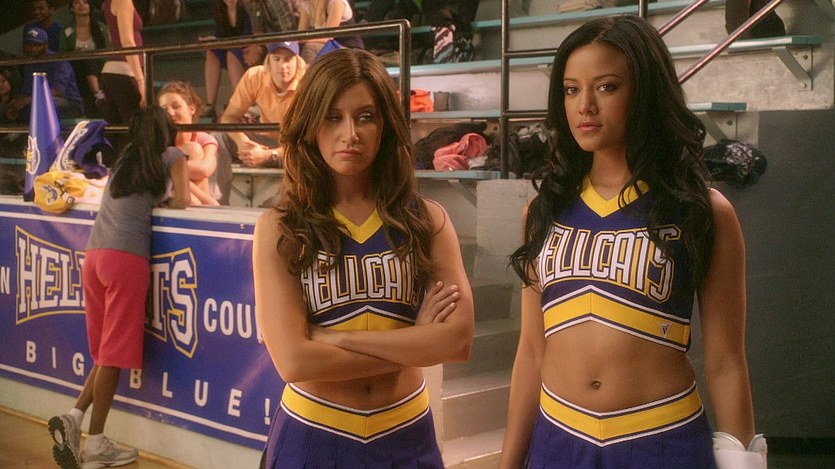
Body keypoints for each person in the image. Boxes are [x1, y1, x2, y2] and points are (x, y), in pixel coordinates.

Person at [500, 15, 761, 469]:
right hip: (559, 439)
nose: (585, 106)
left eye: (606, 87)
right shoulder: (543, 211)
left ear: (645, 91)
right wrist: (508, 463)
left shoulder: (703, 210)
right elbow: (532, 352)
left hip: (661, 441)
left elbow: (725, 362)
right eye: (571, 90)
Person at [253, 48, 474, 468]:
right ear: (310, 124)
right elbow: (294, 361)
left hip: (407, 434)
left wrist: (337, 338)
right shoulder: (279, 228)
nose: (350, 133)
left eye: (365, 116)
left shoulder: (429, 220)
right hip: (312, 434)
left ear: (385, 125)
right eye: (332, 117)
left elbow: (456, 341)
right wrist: (415, 342)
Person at [47, 105, 190, 469]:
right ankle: (96, 443)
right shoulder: (172, 155)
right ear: (166, 131)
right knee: (112, 355)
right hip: (126, 258)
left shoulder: (125, 159)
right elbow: (184, 201)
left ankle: (74, 417)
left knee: (104, 352)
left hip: (94, 256)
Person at [217, 41, 306, 168]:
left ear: (298, 62)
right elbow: (228, 117)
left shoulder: (308, 83)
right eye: (277, 59)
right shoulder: (255, 76)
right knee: (219, 136)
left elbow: (309, 141)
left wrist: (269, 154)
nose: (282, 65)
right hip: (267, 142)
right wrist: (242, 141)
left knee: (309, 152)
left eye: (288, 59)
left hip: (296, 149)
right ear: (268, 61)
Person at [158, 80, 223, 206]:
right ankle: (204, 208)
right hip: (167, 192)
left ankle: (201, 207)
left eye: (176, 106)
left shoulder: (204, 139)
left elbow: (205, 169)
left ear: (192, 109)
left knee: (193, 149)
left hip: (192, 196)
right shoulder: (159, 139)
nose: (170, 113)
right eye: (164, 109)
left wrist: (169, 169)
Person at [7, 26, 84, 123]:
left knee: (39, 105)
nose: (32, 48)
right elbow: (26, 91)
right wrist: (15, 104)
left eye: (37, 45)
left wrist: (26, 100)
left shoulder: (58, 61)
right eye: (29, 44)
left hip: (69, 104)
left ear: (46, 45)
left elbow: (58, 91)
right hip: (36, 101)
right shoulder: (29, 63)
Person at [199, 0, 253, 121]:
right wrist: (213, 40)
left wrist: (219, 41)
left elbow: (248, 37)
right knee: (211, 51)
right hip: (231, 48)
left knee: (231, 55)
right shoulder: (220, 11)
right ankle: (210, 105)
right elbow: (220, 36)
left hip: (248, 50)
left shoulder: (247, 8)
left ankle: (242, 105)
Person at [60, 0, 112, 118]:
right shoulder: (66, 30)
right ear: (71, 8)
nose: (82, 5)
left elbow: (108, 51)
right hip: (76, 68)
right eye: (77, 3)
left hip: (99, 66)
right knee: (83, 60)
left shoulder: (101, 27)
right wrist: (75, 53)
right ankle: (97, 93)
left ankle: (93, 100)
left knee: (88, 59)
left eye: (85, 2)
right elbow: (62, 54)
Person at [100, 0, 145, 134]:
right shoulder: (122, 1)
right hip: (125, 71)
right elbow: (127, 42)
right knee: (137, 129)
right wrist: (141, 80)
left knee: (118, 131)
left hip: (114, 72)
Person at [297, 0, 365, 64]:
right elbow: (301, 34)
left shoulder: (337, 2)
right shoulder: (307, 4)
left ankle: (310, 72)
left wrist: (303, 39)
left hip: (349, 48)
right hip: (328, 47)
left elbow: (328, 37)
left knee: (310, 47)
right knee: (296, 48)